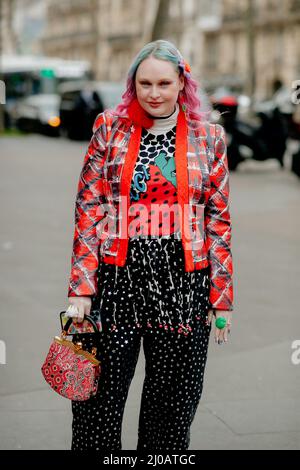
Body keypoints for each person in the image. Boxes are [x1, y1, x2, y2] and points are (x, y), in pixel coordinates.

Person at [66, 39, 234, 451]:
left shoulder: (209, 137)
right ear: (133, 84)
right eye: (145, 83)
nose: (154, 93)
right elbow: (89, 208)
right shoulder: (109, 128)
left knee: (171, 411)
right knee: (98, 405)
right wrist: (81, 288)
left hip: (184, 286)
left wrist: (222, 296)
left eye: (163, 83)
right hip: (116, 282)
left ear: (182, 83)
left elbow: (218, 220)